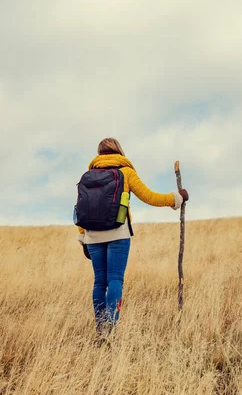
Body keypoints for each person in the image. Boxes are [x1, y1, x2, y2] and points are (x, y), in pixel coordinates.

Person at [77, 137, 189, 338]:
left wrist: (82, 238)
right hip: (118, 233)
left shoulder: (88, 175)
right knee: (115, 279)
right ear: (119, 150)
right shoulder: (126, 172)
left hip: (92, 235)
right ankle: (110, 327)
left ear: (99, 153)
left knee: (99, 282)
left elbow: (81, 208)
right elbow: (150, 197)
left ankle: (100, 327)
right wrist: (177, 198)